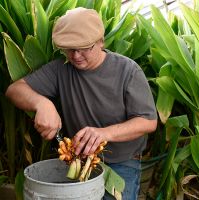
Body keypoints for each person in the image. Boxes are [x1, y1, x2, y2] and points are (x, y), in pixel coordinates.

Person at [5, 7, 157, 200]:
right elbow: (14, 90)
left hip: (122, 163)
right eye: (69, 49)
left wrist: (103, 133)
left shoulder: (128, 70)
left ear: (100, 42)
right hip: (77, 158)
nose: (76, 56)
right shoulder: (60, 69)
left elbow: (148, 122)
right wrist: (42, 104)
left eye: (84, 48)